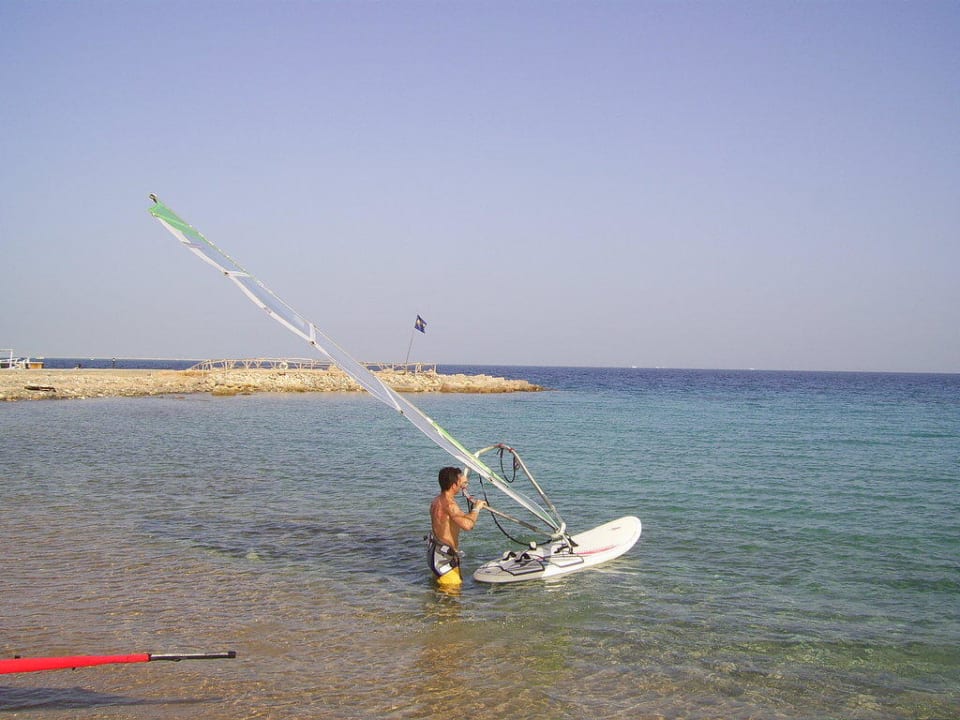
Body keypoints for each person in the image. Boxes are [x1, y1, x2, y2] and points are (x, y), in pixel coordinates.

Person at [427, 466, 487, 586]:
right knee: (453, 596)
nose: (465, 485)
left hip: (435, 553)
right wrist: (476, 509)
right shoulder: (450, 505)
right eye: (462, 482)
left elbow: (456, 518)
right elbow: (468, 525)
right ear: (454, 485)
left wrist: (470, 512)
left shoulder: (436, 501)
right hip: (444, 558)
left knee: (439, 593)